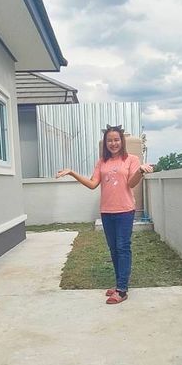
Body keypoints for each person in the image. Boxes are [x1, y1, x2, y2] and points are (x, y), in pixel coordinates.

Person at [57, 126, 154, 304]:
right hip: (107, 211)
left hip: (125, 210)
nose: (113, 143)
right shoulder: (102, 162)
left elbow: (131, 183)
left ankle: (122, 290)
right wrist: (72, 172)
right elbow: (93, 184)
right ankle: (119, 284)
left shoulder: (131, 159)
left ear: (122, 141)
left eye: (116, 139)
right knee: (114, 249)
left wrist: (140, 171)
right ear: (105, 143)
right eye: (110, 140)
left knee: (123, 247)